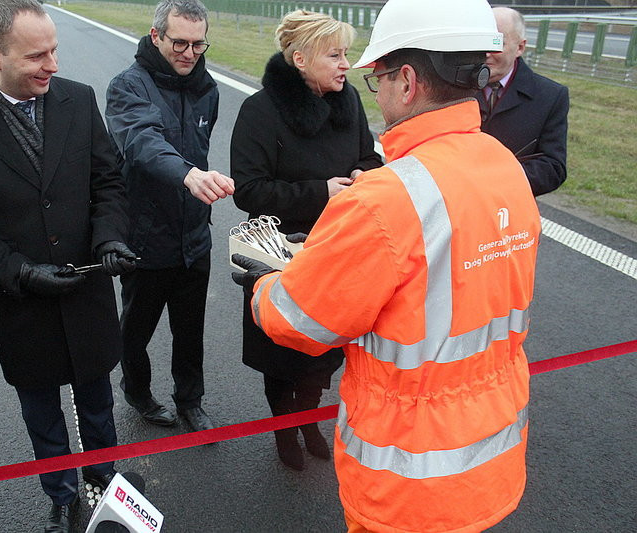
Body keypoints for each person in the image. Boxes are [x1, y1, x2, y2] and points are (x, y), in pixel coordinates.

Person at [232, 0, 542, 530]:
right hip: (489, 458)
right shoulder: (503, 165)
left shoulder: (385, 199)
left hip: (406, 480)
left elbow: (300, 320)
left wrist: (266, 283)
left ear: (406, 80)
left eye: (375, 78)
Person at [0, 1, 134, 531]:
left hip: (86, 289)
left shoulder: (79, 102)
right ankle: (62, 493)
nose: (53, 65)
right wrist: (19, 271)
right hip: (20, 299)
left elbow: (107, 181)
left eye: (55, 50)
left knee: (98, 399)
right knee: (41, 411)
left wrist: (108, 237)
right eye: (37, 55)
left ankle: (105, 483)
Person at [230, 10, 383, 470]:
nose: (346, 64)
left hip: (338, 250)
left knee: (325, 353)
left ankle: (309, 420)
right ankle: (283, 430)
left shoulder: (349, 101)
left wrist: (365, 173)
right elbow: (249, 190)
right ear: (300, 58)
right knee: (281, 352)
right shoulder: (259, 112)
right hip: (282, 255)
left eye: (346, 54)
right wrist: (321, 192)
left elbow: (369, 157)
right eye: (334, 55)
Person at [105, 0, 234, 431]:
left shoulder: (207, 88)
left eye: (199, 44)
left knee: (189, 330)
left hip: (194, 237)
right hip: (145, 239)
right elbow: (140, 142)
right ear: (156, 35)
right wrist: (188, 175)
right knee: (134, 332)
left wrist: (197, 182)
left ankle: (190, 400)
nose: (190, 53)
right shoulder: (127, 86)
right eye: (179, 42)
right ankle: (137, 391)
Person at [477, 6, 569, 196]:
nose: (486, 52)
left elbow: (553, 168)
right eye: (482, 41)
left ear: (520, 47)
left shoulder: (550, 96)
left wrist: (493, 179)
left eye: (496, 43)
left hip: (510, 209)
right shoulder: (453, 85)